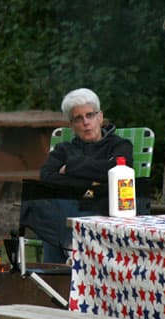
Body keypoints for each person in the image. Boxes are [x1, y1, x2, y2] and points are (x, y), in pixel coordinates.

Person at [30, 88, 133, 263]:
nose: (85, 122)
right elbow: (46, 177)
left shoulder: (120, 146)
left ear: (100, 117)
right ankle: (66, 260)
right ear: (71, 125)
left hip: (103, 208)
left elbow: (118, 171)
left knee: (55, 213)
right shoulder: (63, 150)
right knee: (53, 206)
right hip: (68, 207)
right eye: (78, 118)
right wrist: (92, 180)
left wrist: (71, 167)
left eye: (90, 115)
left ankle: (68, 255)